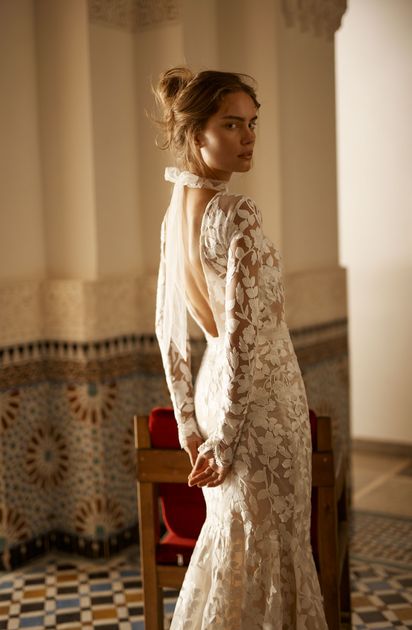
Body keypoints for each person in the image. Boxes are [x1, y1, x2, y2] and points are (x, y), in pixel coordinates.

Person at [154, 67, 328, 629]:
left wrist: (188, 421)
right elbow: (248, 344)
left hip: (215, 390)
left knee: (237, 540)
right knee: (271, 545)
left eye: (252, 124)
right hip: (257, 404)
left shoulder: (174, 214)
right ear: (195, 133)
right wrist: (224, 439)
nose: (248, 137)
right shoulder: (236, 213)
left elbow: (169, 330)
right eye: (232, 125)